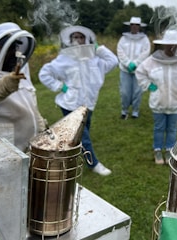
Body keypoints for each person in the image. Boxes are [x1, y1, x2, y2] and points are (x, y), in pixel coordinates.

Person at [39, 25, 118, 176]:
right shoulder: (64, 59)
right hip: (70, 104)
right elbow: (45, 73)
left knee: (80, 133)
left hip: (89, 104)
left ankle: (68, 152)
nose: (78, 40)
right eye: (74, 37)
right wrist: (59, 86)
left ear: (86, 39)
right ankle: (93, 164)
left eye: (81, 37)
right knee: (83, 136)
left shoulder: (95, 60)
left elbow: (113, 61)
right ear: (70, 41)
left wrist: (98, 48)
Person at [0, 22, 46, 152]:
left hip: (30, 149)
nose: (14, 53)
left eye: (15, 48)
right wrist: (5, 85)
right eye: (10, 48)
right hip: (0, 154)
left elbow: (30, 103)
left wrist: (42, 127)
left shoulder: (20, 70)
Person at [136, 30, 177, 164]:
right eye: (169, 45)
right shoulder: (153, 60)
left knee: (172, 128)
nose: (171, 47)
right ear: (163, 45)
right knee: (159, 127)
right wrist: (148, 85)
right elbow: (140, 72)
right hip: (158, 101)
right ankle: (157, 150)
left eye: (174, 45)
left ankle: (170, 150)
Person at [117, 16, 151, 119]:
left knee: (137, 91)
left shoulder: (144, 39)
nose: (135, 27)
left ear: (139, 27)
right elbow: (120, 51)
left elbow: (145, 52)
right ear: (130, 26)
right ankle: (124, 111)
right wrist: (128, 63)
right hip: (125, 69)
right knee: (125, 92)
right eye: (133, 25)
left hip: (139, 70)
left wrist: (136, 63)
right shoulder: (123, 38)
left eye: (137, 25)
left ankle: (135, 111)